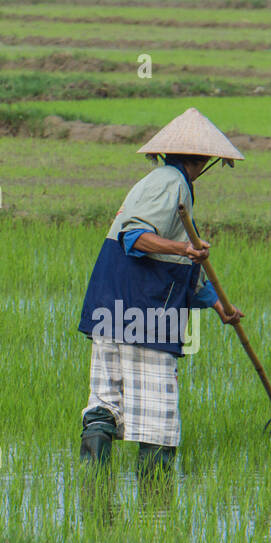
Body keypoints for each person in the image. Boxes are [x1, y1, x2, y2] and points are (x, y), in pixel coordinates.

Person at [75, 108, 245, 520]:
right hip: (143, 312)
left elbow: (176, 264)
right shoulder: (171, 184)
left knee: (105, 400)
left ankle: (94, 499)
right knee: (158, 413)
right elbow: (135, 237)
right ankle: (157, 514)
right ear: (202, 160)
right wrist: (184, 248)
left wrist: (216, 303)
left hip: (110, 304)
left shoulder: (162, 182)